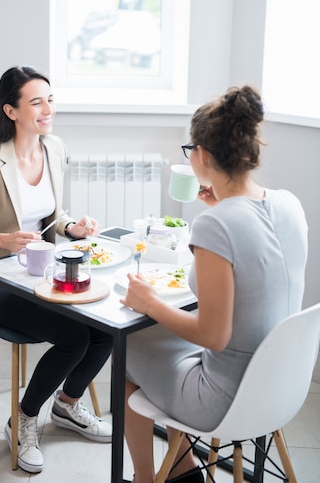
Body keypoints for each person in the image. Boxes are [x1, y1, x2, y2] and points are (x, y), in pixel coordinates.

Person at [120, 85, 308, 483]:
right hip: (282, 385)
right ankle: (183, 467)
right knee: (167, 349)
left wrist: (150, 303)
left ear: (202, 154)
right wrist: (222, 209)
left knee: (128, 352)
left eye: (189, 149)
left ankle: (144, 477)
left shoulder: (216, 224)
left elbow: (213, 336)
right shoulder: (288, 204)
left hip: (227, 400)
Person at [0, 65, 113, 474]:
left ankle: (67, 406)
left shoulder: (54, 147)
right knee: (73, 336)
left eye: (50, 99)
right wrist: (3, 240)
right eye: (36, 101)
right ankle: (23, 419)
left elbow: (50, 215)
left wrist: (72, 227)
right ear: (11, 110)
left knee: (103, 330)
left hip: (34, 271)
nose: (47, 109)